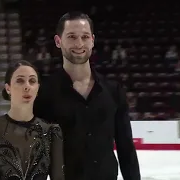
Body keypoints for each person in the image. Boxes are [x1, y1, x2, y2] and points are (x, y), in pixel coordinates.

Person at [34, 12, 141, 180]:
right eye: (72, 37)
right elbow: (37, 155)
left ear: (92, 40)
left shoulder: (113, 91)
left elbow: (126, 148)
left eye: (84, 37)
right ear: (58, 41)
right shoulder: (44, 94)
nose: (79, 43)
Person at [0, 60, 65, 180]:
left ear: (38, 88)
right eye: (20, 81)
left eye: (32, 81)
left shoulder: (52, 131)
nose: (27, 86)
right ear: (8, 88)